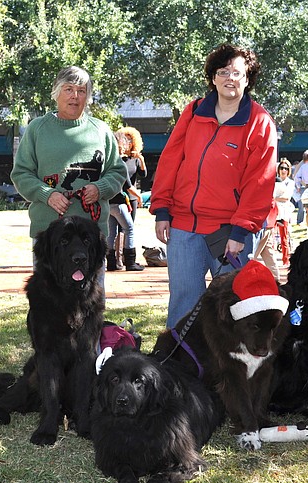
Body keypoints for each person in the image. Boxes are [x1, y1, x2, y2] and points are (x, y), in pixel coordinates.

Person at [150, 42, 278, 328]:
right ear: (212, 77)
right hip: (184, 227)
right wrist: (161, 209)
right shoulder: (194, 111)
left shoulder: (260, 122)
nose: (229, 78)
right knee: (184, 303)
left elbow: (260, 181)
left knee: (235, 307)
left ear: (248, 79)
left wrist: (241, 229)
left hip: (230, 233)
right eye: (223, 71)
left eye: (237, 73)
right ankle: (180, 367)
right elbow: (171, 160)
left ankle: (234, 368)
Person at [11, 65, 126, 252]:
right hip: (48, 233)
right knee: (46, 282)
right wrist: (47, 195)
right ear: (56, 92)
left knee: (93, 283)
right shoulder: (37, 129)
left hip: (92, 233)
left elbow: (117, 171)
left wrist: (100, 188)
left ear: (87, 97)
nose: (75, 96)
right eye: (69, 89)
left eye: (81, 91)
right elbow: (21, 174)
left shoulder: (101, 130)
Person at [106, 127, 147, 271]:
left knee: (111, 232)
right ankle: (130, 262)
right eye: (124, 142)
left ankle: (111, 263)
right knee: (128, 228)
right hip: (119, 202)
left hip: (108, 202)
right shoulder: (120, 163)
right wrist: (139, 196)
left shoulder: (108, 161)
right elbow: (128, 186)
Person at [253, 158, 294, 279]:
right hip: (270, 223)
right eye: (282, 168)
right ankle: (277, 281)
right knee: (269, 254)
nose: (283, 170)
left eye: (286, 168)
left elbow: (285, 198)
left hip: (266, 224)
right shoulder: (274, 184)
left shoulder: (274, 185)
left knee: (253, 256)